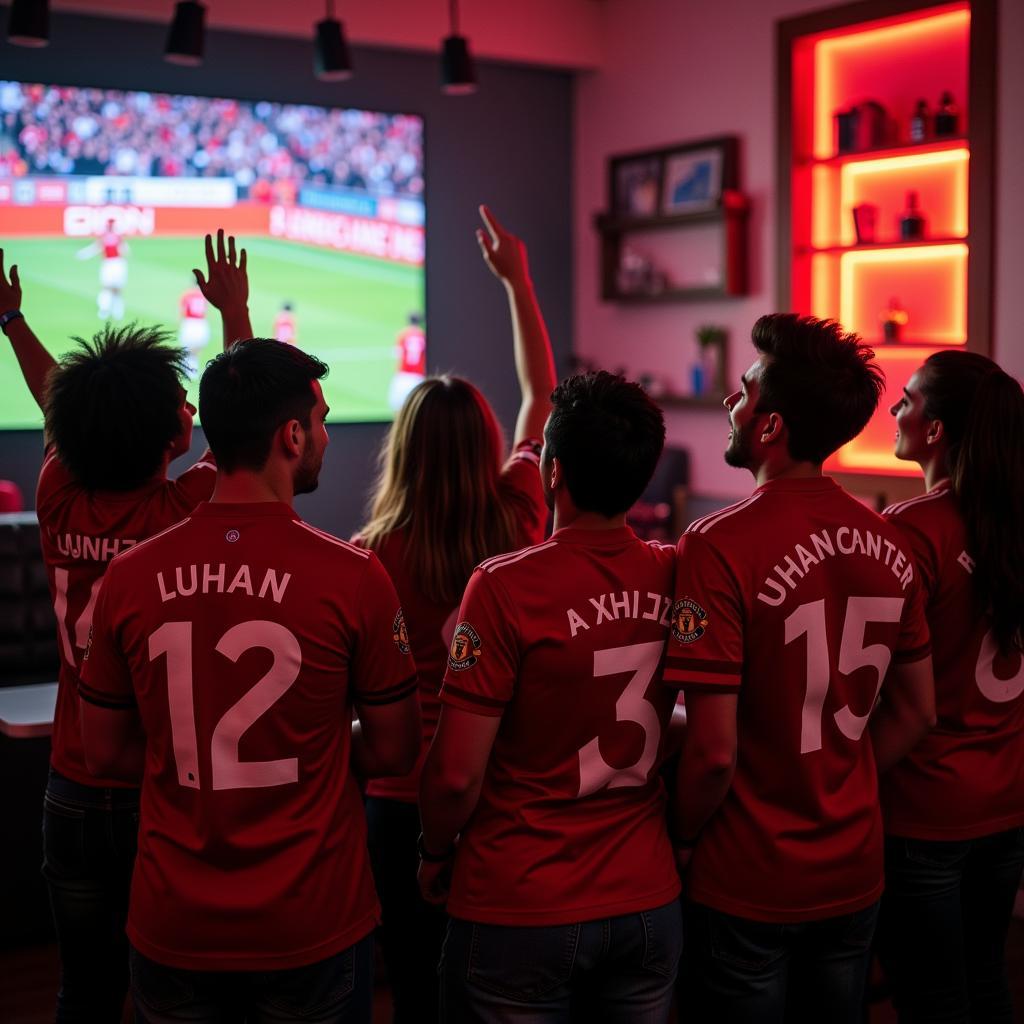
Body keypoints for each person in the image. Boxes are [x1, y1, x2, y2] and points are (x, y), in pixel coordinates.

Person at [79, 337, 422, 1023]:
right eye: (321, 420)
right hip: (312, 922)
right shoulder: (354, 576)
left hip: (174, 921)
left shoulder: (129, 578)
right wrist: (311, 749)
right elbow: (394, 750)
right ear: (291, 435)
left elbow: (106, 754)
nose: (323, 434)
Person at [0, 231, 251, 1023]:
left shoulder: (57, 496)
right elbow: (243, 429)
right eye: (183, 408)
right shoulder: (188, 509)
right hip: (159, 795)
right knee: (167, 992)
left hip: (72, 789)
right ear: (176, 440)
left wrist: (13, 323)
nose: (190, 411)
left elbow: (60, 408)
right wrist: (236, 314)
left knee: (83, 991)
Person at [664, 313, 936, 1023]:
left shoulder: (716, 544)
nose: (731, 401)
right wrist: (840, 782)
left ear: (771, 426)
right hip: (854, 867)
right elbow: (916, 711)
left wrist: (682, 836)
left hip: (746, 876)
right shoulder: (891, 542)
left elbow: (713, 752)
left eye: (746, 389)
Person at [419, 370, 683, 1023]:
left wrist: (430, 852)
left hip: (520, 902)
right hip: (646, 900)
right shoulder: (677, 573)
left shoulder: (502, 586)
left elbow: (455, 775)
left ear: (554, 473)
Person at [354, 205, 555, 1023]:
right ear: (484, 446)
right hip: (498, 792)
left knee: (410, 984)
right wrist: (519, 281)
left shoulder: (367, 557)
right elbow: (541, 392)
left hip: (401, 800)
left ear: (399, 452)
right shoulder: (519, 513)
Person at [877, 350, 1024, 1022]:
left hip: (926, 808)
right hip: (1008, 801)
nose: (895, 410)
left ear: (934, 430)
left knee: (931, 997)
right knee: (988, 979)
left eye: (905, 399)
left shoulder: (911, 532)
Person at [76, 217, 129, 321]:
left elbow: (123, 249)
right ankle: (107, 310)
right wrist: (84, 254)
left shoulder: (114, 237)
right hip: (111, 263)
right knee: (109, 288)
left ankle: (114, 311)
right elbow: (125, 250)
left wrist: (83, 254)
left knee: (114, 288)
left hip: (116, 263)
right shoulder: (112, 237)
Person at [387, 311, 427, 412]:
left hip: (403, 376)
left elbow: (398, 355)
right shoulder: (423, 335)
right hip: (419, 376)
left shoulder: (403, 335)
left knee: (398, 409)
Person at [178, 277, 211, 379]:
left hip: (189, 322)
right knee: (196, 350)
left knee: (187, 349)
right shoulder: (204, 295)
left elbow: (181, 312)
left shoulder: (187, 294)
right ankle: (193, 371)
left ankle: (187, 371)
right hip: (201, 323)